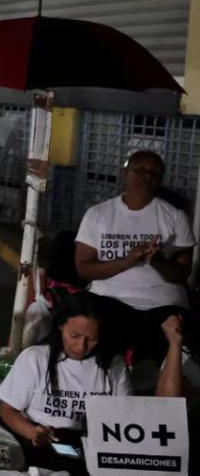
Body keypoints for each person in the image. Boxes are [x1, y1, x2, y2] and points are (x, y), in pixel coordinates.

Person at [75, 150, 196, 364]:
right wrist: (127, 260)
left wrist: (156, 260)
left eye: (154, 173)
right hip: (109, 299)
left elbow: (182, 273)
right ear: (125, 173)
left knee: (177, 349)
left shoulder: (175, 216)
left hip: (162, 303)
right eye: (140, 170)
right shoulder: (98, 214)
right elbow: (84, 268)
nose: (147, 176)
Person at [0, 293, 131, 476]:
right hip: (36, 441)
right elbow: (8, 410)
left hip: (85, 448)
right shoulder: (35, 358)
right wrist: (33, 433)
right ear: (60, 325)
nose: (81, 346)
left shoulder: (113, 366)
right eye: (74, 335)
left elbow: (123, 418)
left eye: (91, 339)